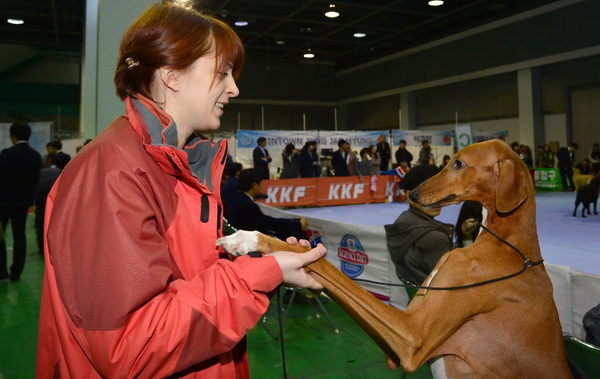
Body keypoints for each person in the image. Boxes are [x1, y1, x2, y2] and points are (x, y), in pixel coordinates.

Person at [36, 4, 326, 378]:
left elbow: (185, 282)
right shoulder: (113, 171)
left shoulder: (172, 166)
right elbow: (130, 347)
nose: (234, 88)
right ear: (171, 75)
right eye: (222, 72)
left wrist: (269, 267)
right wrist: (255, 277)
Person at [384, 165, 454, 285]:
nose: (436, 201)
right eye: (428, 195)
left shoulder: (401, 221)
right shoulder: (435, 239)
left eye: (440, 192)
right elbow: (452, 284)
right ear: (410, 197)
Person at [0, 122, 42, 281]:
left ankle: (1, 270)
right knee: (20, 235)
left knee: (1, 235)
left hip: (3, 202)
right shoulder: (35, 156)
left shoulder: (6, 153)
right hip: (23, 202)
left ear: (13, 136)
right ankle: (16, 272)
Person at [226, 169, 308, 241]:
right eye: (260, 184)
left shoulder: (238, 199)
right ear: (254, 185)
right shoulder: (248, 206)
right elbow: (268, 223)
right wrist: (297, 224)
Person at [34, 152, 71, 256]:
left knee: (41, 223)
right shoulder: (67, 172)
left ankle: (42, 248)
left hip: (41, 199)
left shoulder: (43, 172)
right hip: (60, 200)